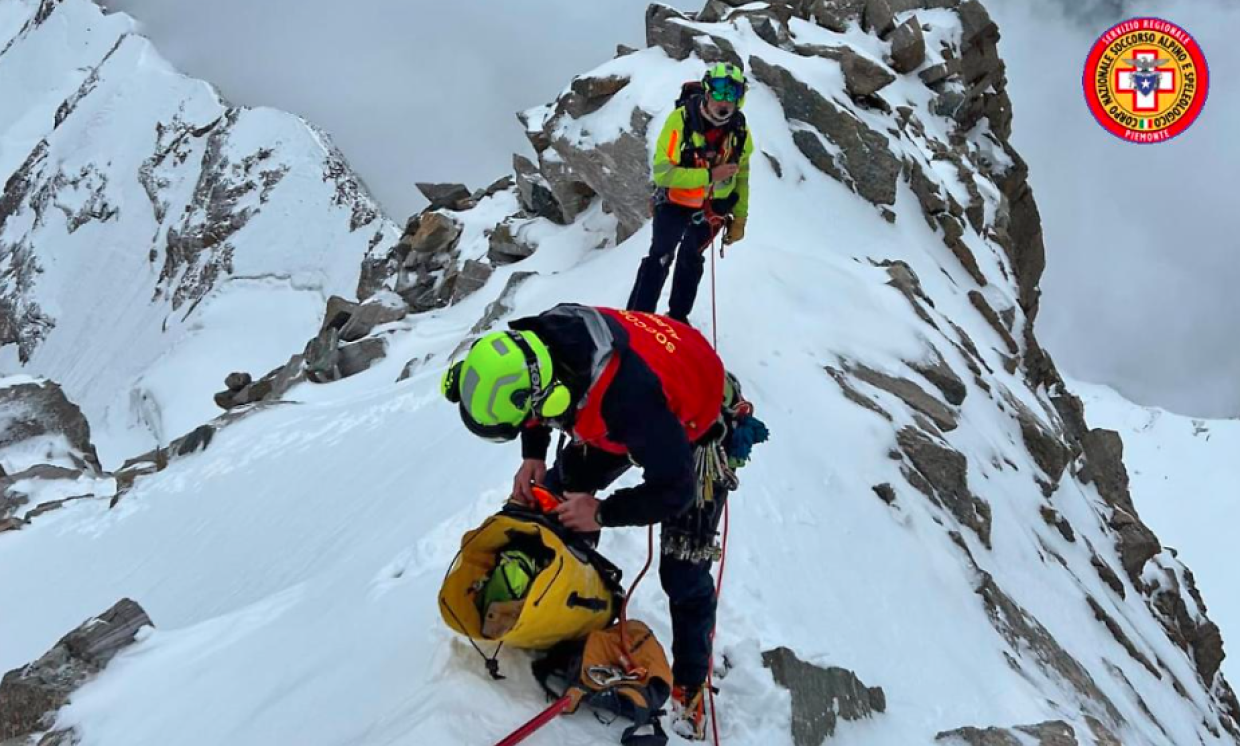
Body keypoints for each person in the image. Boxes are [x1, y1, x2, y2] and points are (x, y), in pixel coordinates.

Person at [441, 304, 735, 739]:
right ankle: (566, 598)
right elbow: (534, 402)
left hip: (697, 422)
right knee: (555, 496)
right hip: (632, 398)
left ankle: (690, 682)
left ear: (554, 397)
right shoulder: (538, 343)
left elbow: (676, 490)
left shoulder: (629, 399)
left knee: (683, 568)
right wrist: (533, 455)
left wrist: (601, 512)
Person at [627, 62, 754, 323]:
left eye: (732, 92)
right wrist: (710, 175)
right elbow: (663, 173)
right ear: (707, 91)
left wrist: (740, 218)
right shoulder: (681, 120)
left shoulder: (740, 131)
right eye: (719, 90)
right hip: (675, 202)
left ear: (740, 98)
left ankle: (677, 318)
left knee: (691, 259)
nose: (724, 100)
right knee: (660, 256)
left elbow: (742, 175)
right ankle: (636, 320)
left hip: (714, 208)